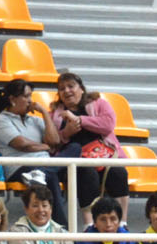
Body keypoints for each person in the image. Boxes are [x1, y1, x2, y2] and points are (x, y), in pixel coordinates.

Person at [50, 71, 129, 220]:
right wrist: (65, 133)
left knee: (118, 172)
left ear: (81, 88)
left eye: (71, 86)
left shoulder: (99, 103)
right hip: (75, 162)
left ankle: (122, 223)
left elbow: (108, 125)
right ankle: (89, 225)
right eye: (62, 88)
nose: (66, 91)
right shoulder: (54, 114)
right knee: (86, 173)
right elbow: (51, 143)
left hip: (104, 155)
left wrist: (79, 120)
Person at [0, 78, 59, 190]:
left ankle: (88, 207)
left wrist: (45, 113)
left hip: (45, 164)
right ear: (12, 100)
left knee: (79, 158)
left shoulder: (35, 120)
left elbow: (55, 141)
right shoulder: (1, 120)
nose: (30, 101)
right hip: (20, 168)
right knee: (50, 176)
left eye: (31, 96)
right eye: (26, 96)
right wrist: (46, 147)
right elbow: (22, 144)